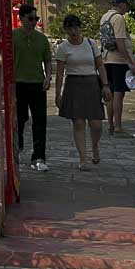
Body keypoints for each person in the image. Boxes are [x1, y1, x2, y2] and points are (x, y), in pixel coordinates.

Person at [54, 13, 108, 170]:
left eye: (76, 28)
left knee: (96, 123)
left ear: (80, 28)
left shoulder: (91, 44)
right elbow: (59, 73)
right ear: (65, 30)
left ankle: (95, 147)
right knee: (78, 122)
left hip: (91, 83)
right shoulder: (63, 48)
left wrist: (105, 85)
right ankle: (83, 158)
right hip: (73, 84)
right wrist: (58, 93)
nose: (73, 32)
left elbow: (100, 65)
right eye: (70, 28)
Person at [11, 5, 53, 172]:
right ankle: (18, 148)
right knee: (19, 119)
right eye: (30, 18)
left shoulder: (41, 39)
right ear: (21, 19)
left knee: (40, 121)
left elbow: (48, 60)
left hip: (37, 83)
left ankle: (39, 156)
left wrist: (48, 77)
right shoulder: (13, 36)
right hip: (18, 82)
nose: (33, 22)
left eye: (36, 19)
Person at [101, 0, 135, 137]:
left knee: (110, 93)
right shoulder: (118, 18)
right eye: (126, 5)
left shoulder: (105, 17)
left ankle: (111, 125)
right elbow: (120, 42)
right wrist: (129, 62)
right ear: (121, 4)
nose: (127, 8)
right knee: (119, 93)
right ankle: (118, 126)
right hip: (118, 60)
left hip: (106, 59)